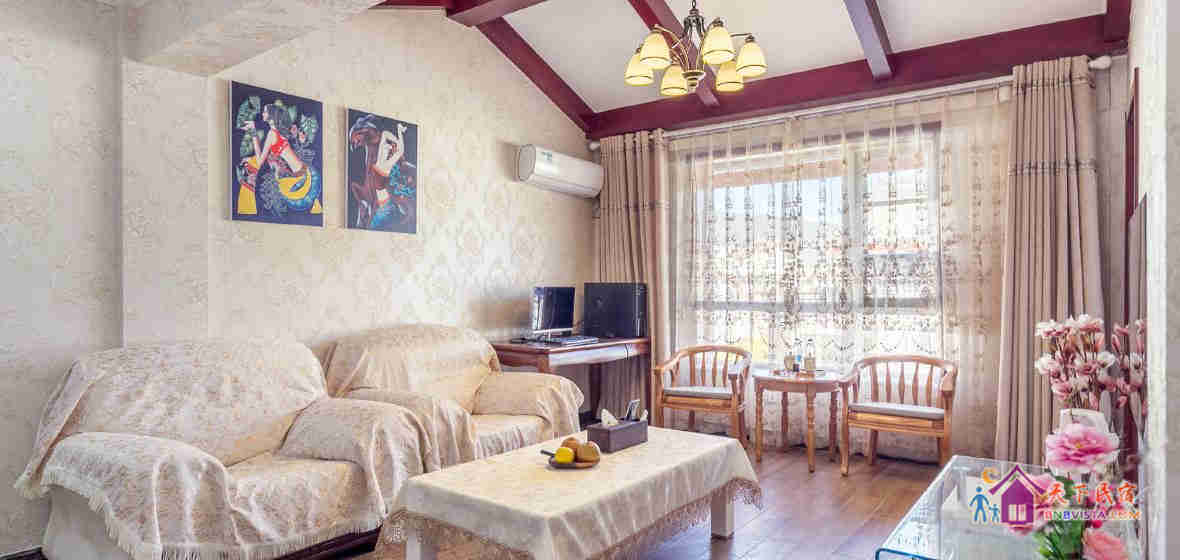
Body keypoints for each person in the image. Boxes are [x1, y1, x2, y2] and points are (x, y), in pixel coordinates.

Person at [241, 103, 321, 215]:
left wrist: (253, 132)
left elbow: (260, 161)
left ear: (271, 115)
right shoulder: (279, 131)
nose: (262, 114)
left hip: (299, 179)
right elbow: (269, 156)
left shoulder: (272, 134)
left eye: (265, 111)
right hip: (304, 172)